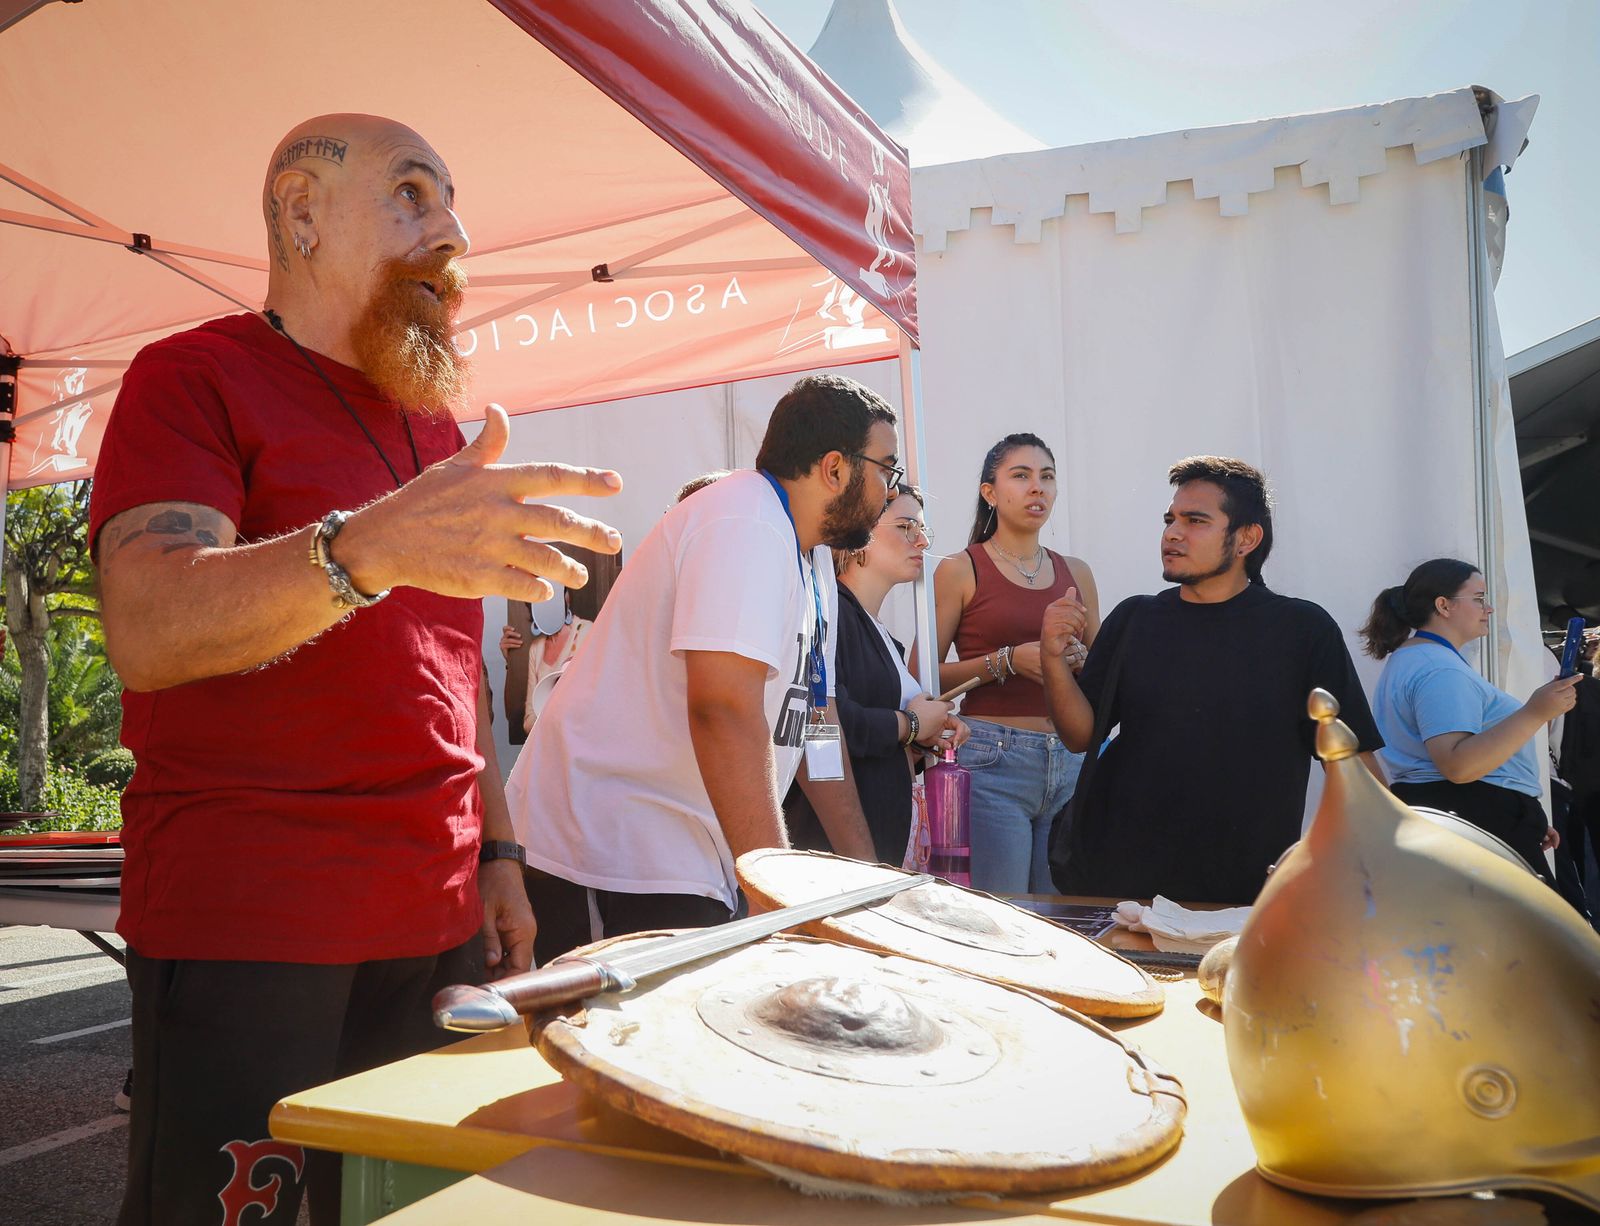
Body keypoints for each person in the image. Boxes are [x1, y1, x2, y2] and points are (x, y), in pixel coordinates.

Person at [88, 114, 622, 1226]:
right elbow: (146, 621)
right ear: (300, 213)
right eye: (414, 195)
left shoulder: (433, 433)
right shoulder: (191, 376)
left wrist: (502, 846)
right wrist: (360, 549)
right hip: (253, 924)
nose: (455, 232)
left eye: (450, 202)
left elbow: (452, 671)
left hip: (435, 925)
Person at [507, 374, 899, 964]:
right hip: (608, 848)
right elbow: (722, 708)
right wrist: (777, 900)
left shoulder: (813, 558)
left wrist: (868, 886)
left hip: (678, 857)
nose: (891, 489)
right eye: (886, 468)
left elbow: (815, 722)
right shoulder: (745, 519)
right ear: (836, 469)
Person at [1042, 455, 1383, 905]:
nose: (1173, 533)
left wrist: (1387, 850)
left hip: (1246, 891)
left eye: (1196, 520)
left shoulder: (1302, 630)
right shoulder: (1135, 618)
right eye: (1170, 519)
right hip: (1124, 882)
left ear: (1247, 538)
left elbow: (1351, 761)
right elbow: (1080, 735)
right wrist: (1050, 656)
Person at [932, 433, 1099, 893]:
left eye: (1047, 477)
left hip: (1070, 763)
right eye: (1021, 476)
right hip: (992, 759)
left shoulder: (1076, 571)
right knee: (1002, 914)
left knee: (1067, 920)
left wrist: (1079, 662)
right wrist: (1004, 662)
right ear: (990, 492)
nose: (1037, 488)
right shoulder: (960, 568)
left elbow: (1101, 680)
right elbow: (920, 679)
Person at [1359, 559, 1577, 885]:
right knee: (1536, 934)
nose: (1488, 608)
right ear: (1443, 605)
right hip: (1468, 817)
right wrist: (1535, 712)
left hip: (1464, 816)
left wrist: (1520, 816)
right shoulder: (1438, 668)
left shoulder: (1418, 659)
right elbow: (1457, 765)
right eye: (1478, 597)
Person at [784, 484, 967, 864]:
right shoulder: (832, 615)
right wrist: (913, 724)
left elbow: (873, 738)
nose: (920, 541)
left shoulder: (882, 636)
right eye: (904, 527)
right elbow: (827, 722)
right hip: (832, 851)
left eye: (922, 530)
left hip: (876, 844)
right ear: (859, 537)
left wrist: (924, 736)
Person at [498, 544, 621, 740]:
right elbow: (527, 721)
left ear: (566, 597)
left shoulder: (587, 632)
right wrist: (510, 663)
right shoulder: (536, 649)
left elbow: (597, 703)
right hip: (549, 748)